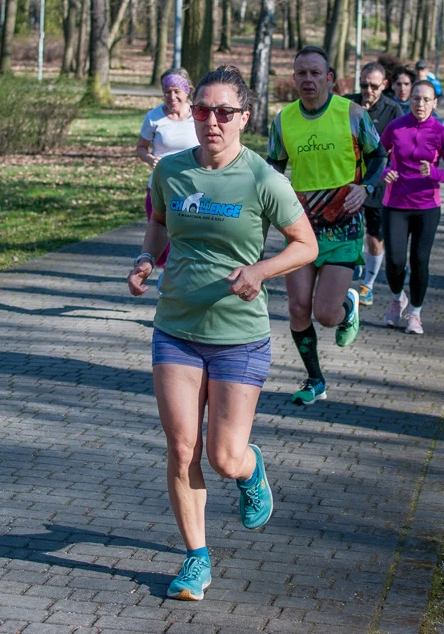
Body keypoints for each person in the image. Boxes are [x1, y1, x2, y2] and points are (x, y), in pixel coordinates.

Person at [127, 65, 318, 602]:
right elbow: (160, 222)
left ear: (244, 118)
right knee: (181, 446)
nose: (211, 121)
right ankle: (196, 557)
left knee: (222, 456)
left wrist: (260, 271)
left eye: (224, 112)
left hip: (239, 335)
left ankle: (250, 469)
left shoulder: (264, 179)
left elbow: (306, 246)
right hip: (177, 328)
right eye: (203, 110)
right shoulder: (170, 171)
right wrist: (147, 258)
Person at [268, 45, 387, 406]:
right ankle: (315, 379)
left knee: (325, 315)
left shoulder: (351, 113)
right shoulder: (283, 120)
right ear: (294, 78)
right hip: (299, 227)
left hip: (343, 228)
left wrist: (365, 187)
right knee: (298, 307)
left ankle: (348, 308)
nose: (308, 80)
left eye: (315, 73)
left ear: (330, 79)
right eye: (301, 73)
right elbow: (273, 166)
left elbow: (379, 156)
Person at [379, 80, 444, 334]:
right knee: (394, 261)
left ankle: (415, 313)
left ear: (435, 103)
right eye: (415, 98)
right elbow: (377, 157)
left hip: (427, 206)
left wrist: (433, 172)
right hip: (395, 204)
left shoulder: (440, 131)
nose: (420, 104)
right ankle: (396, 298)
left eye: (426, 99)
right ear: (409, 100)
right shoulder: (396, 127)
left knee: (420, 260)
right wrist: (386, 171)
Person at [343, 60, 405, 308]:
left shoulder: (393, 111)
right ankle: (347, 279)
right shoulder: (347, 104)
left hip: (379, 184)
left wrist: (391, 171)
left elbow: (401, 150)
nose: (368, 90)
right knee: (348, 233)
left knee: (374, 238)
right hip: (348, 182)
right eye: (364, 84)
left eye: (374, 86)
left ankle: (367, 285)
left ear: (384, 85)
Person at [137, 70, 200, 266]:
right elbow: (140, 148)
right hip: (161, 187)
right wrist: (149, 158)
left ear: (187, 90)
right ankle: (167, 285)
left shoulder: (199, 115)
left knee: (187, 241)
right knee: (162, 244)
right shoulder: (154, 117)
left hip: (193, 188)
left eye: (176, 91)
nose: (171, 97)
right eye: (166, 91)